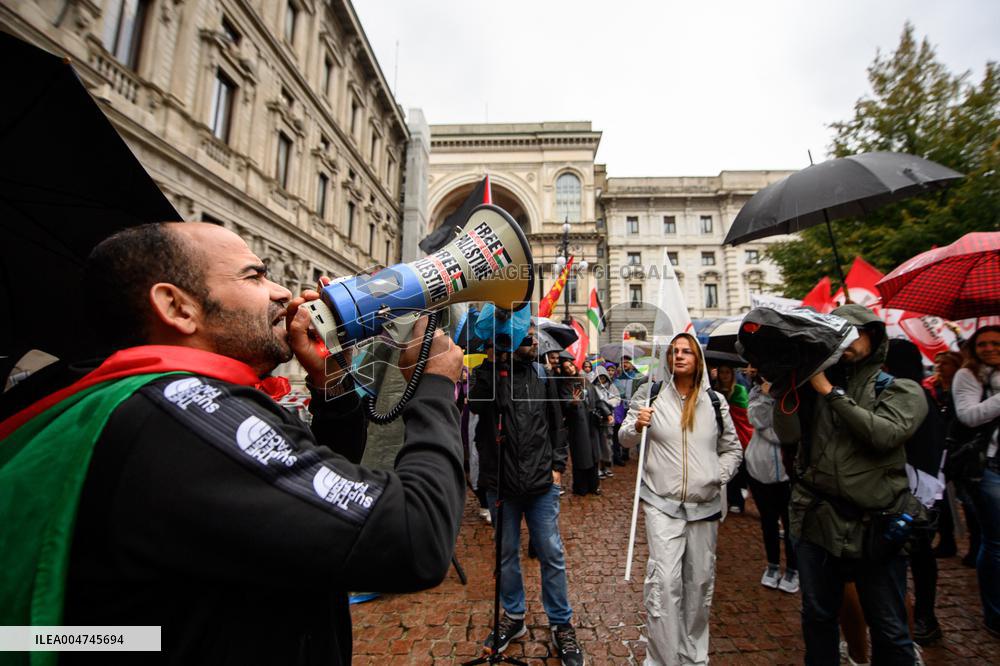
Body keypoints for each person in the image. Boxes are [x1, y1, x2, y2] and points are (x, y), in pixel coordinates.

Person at [0, 223, 467, 665]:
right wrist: (433, 386)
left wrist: (333, 393)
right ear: (178, 308)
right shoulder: (185, 411)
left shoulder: (148, 403)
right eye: (255, 275)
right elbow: (415, 537)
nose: (283, 292)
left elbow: (310, 509)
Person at [774, 304, 927, 665]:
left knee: (889, 626)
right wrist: (785, 386)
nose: (844, 341)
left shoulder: (900, 389)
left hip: (875, 524)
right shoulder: (815, 385)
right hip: (817, 523)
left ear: (873, 337)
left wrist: (830, 393)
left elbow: (885, 434)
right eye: (836, 333)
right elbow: (788, 434)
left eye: (852, 332)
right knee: (818, 616)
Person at [619, 333, 742, 666]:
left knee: (700, 584)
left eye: (687, 351)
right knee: (664, 583)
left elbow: (732, 448)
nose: (680, 355)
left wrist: (719, 474)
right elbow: (625, 438)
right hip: (662, 503)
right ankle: (662, 660)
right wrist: (636, 426)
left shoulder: (715, 401)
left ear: (699, 359)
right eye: (674, 351)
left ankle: (692, 657)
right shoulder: (652, 395)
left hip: (705, 506)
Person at [468, 328, 583, 665]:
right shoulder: (486, 375)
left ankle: (561, 624)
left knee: (551, 551)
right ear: (508, 342)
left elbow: (556, 422)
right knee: (505, 554)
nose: (534, 343)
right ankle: (514, 617)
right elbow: (476, 404)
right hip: (500, 483)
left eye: (535, 338)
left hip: (541, 483)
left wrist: (558, 464)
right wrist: (493, 365)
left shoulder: (544, 375)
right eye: (528, 339)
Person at [885, 338, 946, 646]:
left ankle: (922, 617)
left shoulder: (912, 395)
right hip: (920, 488)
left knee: (916, 556)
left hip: (917, 490)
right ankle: (919, 616)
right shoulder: (911, 392)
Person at [951, 325, 1000, 637]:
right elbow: (968, 416)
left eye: (996, 343)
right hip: (989, 467)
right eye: (982, 343)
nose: (989, 348)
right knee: (995, 543)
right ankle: (995, 614)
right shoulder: (967, 375)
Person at [744, 372, 799, 594]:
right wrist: (767, 397)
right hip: (759, 468)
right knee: (768, 521)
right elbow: (757, 420)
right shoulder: (757, 392)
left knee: (791, 523)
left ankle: (793, 569)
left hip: (789, 472)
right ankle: (773, 565)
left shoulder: (793, 393)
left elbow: (788, 432)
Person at [923, 351, 968, 559]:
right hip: (939, 448)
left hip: (959, 449)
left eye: (945, 364)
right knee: (940, 500)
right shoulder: (930, 386)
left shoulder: (965, 388)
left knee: (966, 500)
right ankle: (946, 538)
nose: (939, 367)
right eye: (937, 363)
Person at [559, 358, 600, 496]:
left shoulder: (585, 381)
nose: (570, 368)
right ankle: (581, 487)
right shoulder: (565, 385)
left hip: (591, 422)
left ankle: (594, 485)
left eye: (570, 365)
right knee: (582, 456)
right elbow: (564, 405)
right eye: (566, 368)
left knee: (594, 455)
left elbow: (597, 399)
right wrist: (573, 403)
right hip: (578, 424)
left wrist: (606, 413)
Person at [714, 364, 752, 513]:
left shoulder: (739, 390)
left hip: (738, 432)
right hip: (720, 434)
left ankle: (738, 500)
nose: (724, 376)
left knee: (736, 467)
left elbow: (743, 413)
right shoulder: (715, 390)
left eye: (727, 372)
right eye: (721, 372)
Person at [612, 355, 646, 465]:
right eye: (622, 363)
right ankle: (624, 453)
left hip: (635, 407)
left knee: (637, 428)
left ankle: (640, 454)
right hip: (622, 408)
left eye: (627, 362)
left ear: (632, 364)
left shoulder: (638, 376)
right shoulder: (618, 378)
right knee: (624, 429)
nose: (624, 364)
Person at [591, 365, 620, 479]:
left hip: (608, 420)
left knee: (607, 445)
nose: (601, 380)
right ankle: (598, 468)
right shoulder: (592, 387)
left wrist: (607, 403)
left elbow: (617, 398)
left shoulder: (611, 387)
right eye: (599, 377)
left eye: (603, 377)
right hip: (596, 419)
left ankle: (607, 466)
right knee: (597, 445)